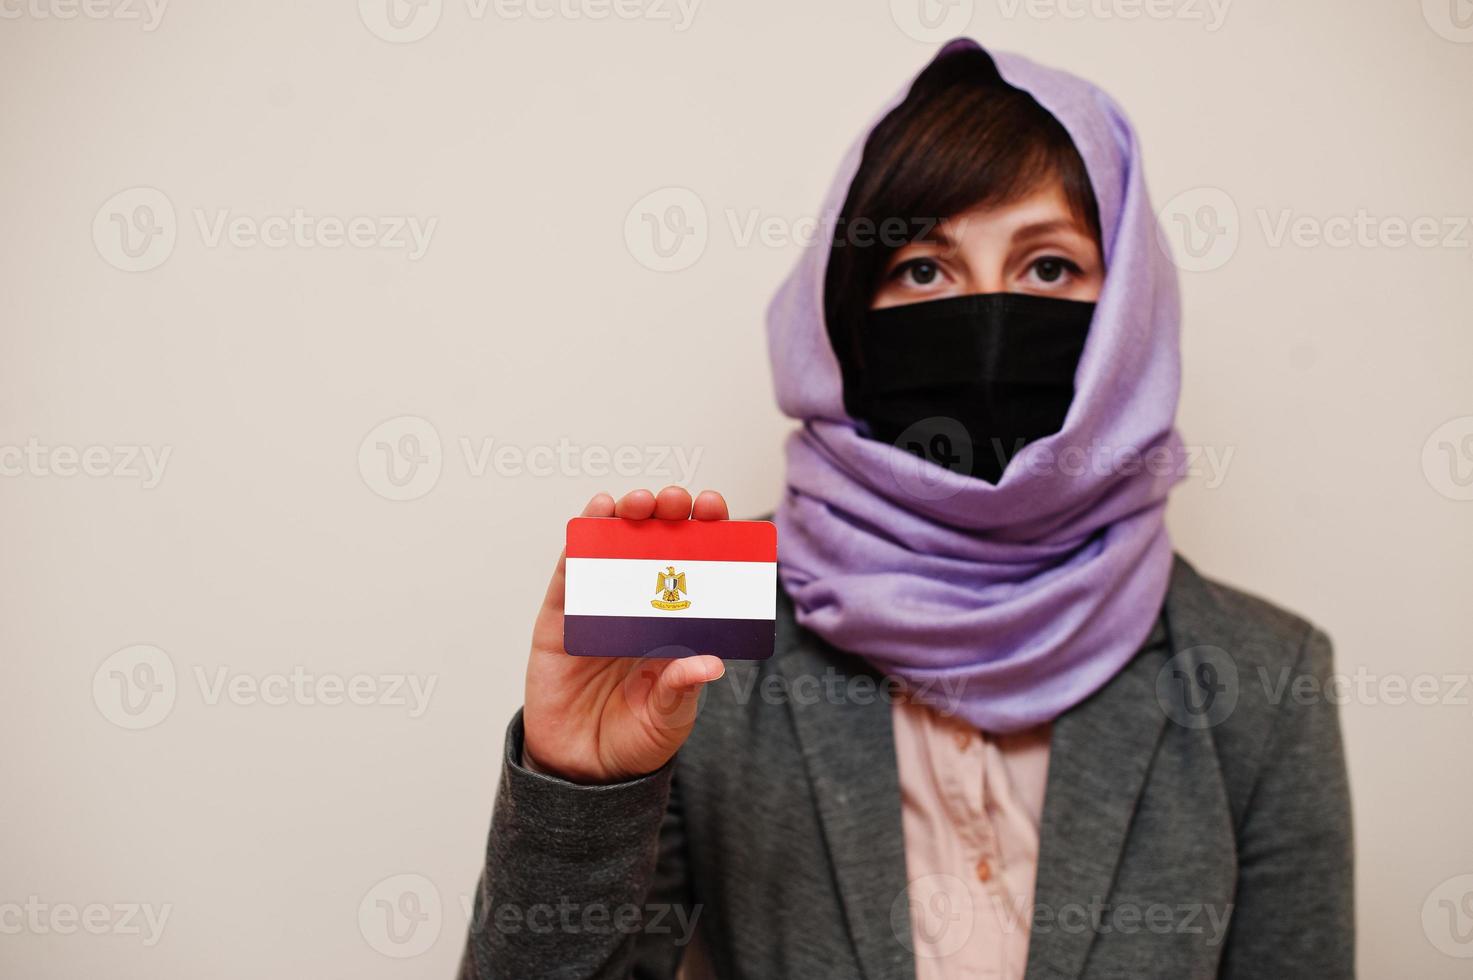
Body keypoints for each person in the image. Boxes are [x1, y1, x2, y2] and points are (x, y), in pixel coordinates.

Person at [459, 39, 1354, 980]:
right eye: (923, 269)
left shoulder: (1261, 678)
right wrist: (580, 788)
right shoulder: (700, 631)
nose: (988, 318)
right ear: (845, 315)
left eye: (1048, 267)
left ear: (1129, 312)